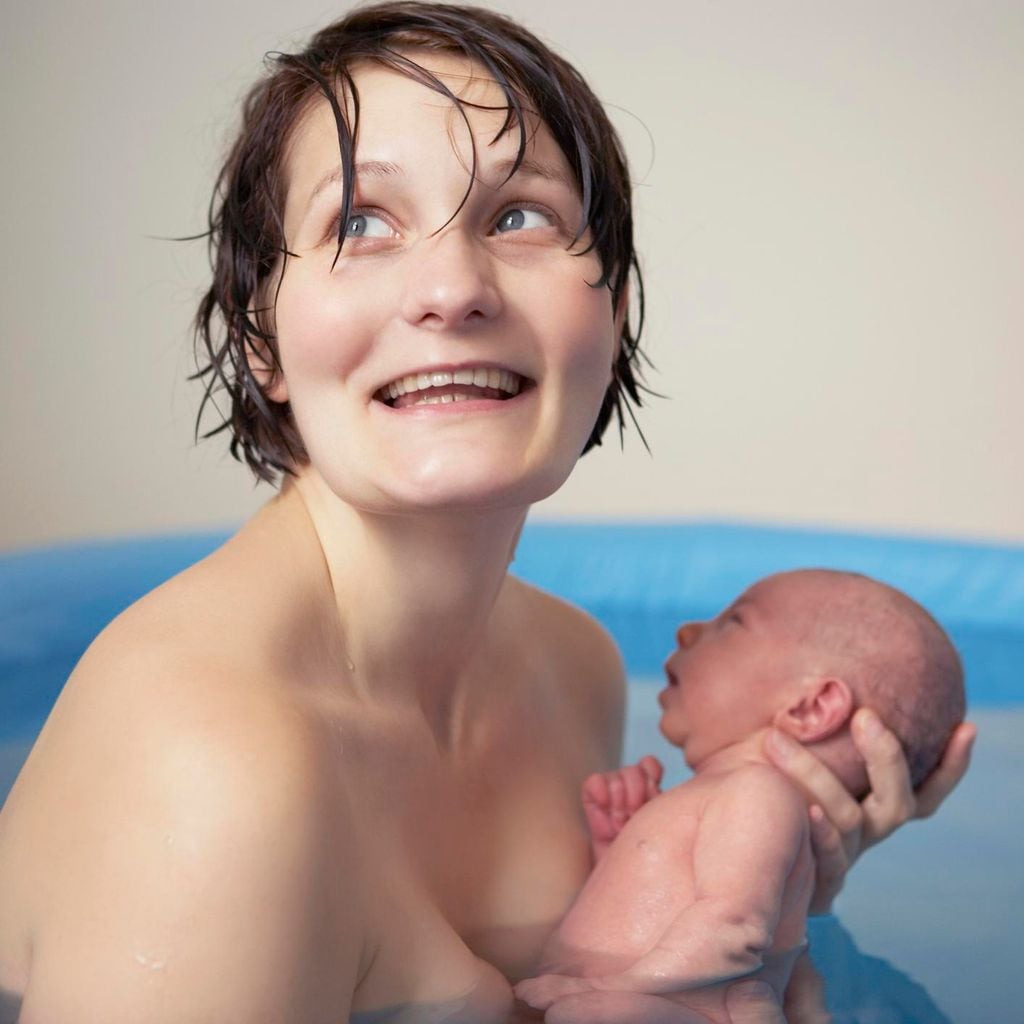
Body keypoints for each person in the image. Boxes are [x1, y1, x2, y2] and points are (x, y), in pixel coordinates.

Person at [0, 5, 975, 1022]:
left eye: (518, 216)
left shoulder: (572, 665)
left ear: (615, 311)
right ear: (258, 336)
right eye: (360, 223)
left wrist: (774, 881)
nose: (452, 288)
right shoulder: (212, 767)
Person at [515, 569, 966, 1023]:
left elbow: (734, 931)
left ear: (810, 707)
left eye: (734, 621)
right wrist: (626, 855)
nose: (688, 630)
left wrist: (619, 989)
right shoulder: (749, 806)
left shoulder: (758, 793)